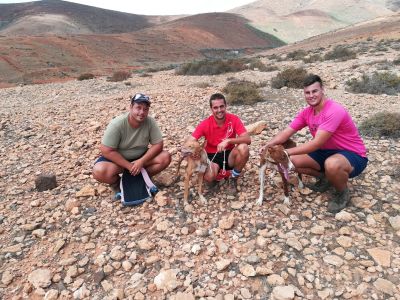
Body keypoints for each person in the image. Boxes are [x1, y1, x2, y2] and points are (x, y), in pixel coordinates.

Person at [261, 74, 368, 213]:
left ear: (322, 90)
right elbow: (286, 133)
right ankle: (326, 179)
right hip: (324, 152)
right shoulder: (307, 112)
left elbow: (316, 143)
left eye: (314, 91)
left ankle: (342, 193)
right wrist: (268, 146)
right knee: (289, 163)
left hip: (351, 154)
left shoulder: (334, 110)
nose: (311, 95)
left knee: (331, 164)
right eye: (307, 92)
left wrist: (285, 153)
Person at [92, 93, 171, 196]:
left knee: (165, 157)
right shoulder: (117, 124)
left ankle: (140, 179)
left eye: (145, 109)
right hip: (119, 161)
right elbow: (106, 150)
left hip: (140, 158)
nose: (142, 112)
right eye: (138, 108)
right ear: (130, 107)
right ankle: (118, 184)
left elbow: (158, 144)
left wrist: (141, 161)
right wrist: (129, 166)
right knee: (99, 171)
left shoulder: (150, 122)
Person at [187, 93, 251, 194]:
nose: (219, 110)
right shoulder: (205, 124)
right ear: (211, 109)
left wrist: (229, 140)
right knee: (209, 178)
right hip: (212, 157)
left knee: (244, 147)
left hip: (229, 155)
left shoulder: (234, 119)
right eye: (215, 108)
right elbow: (189, 141)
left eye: (221, 106)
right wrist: (194, 151)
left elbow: (248, 139)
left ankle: (233, 178)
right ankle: (213, 176)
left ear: (226, 106)